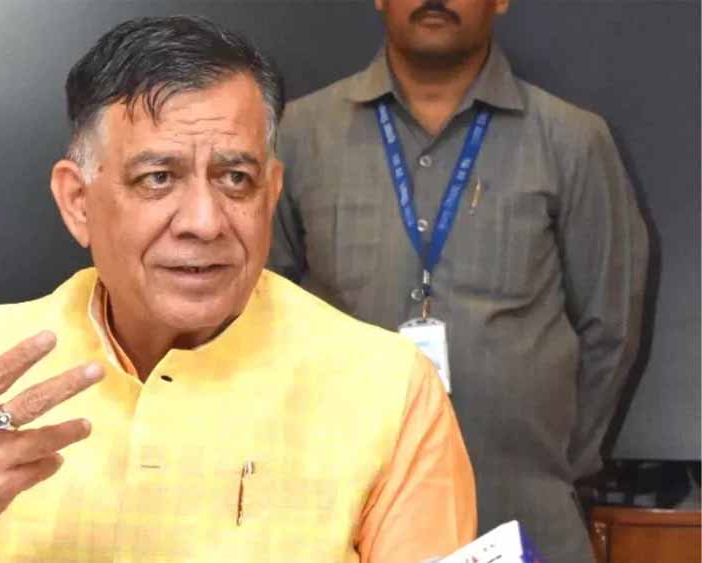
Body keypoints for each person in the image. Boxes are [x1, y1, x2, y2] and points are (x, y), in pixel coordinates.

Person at [0, 15, 476, 563]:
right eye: (157, 178)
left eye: (235, 178)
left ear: (271, 193)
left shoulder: (387, 389)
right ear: (78, 202)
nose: (203, 222)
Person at [269, 1, 649, 561]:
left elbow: (611, 328)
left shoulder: (572, 139)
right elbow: (260, 314)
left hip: (525, 517)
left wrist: (548, 465)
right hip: (344, 518)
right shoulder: (300, 135)